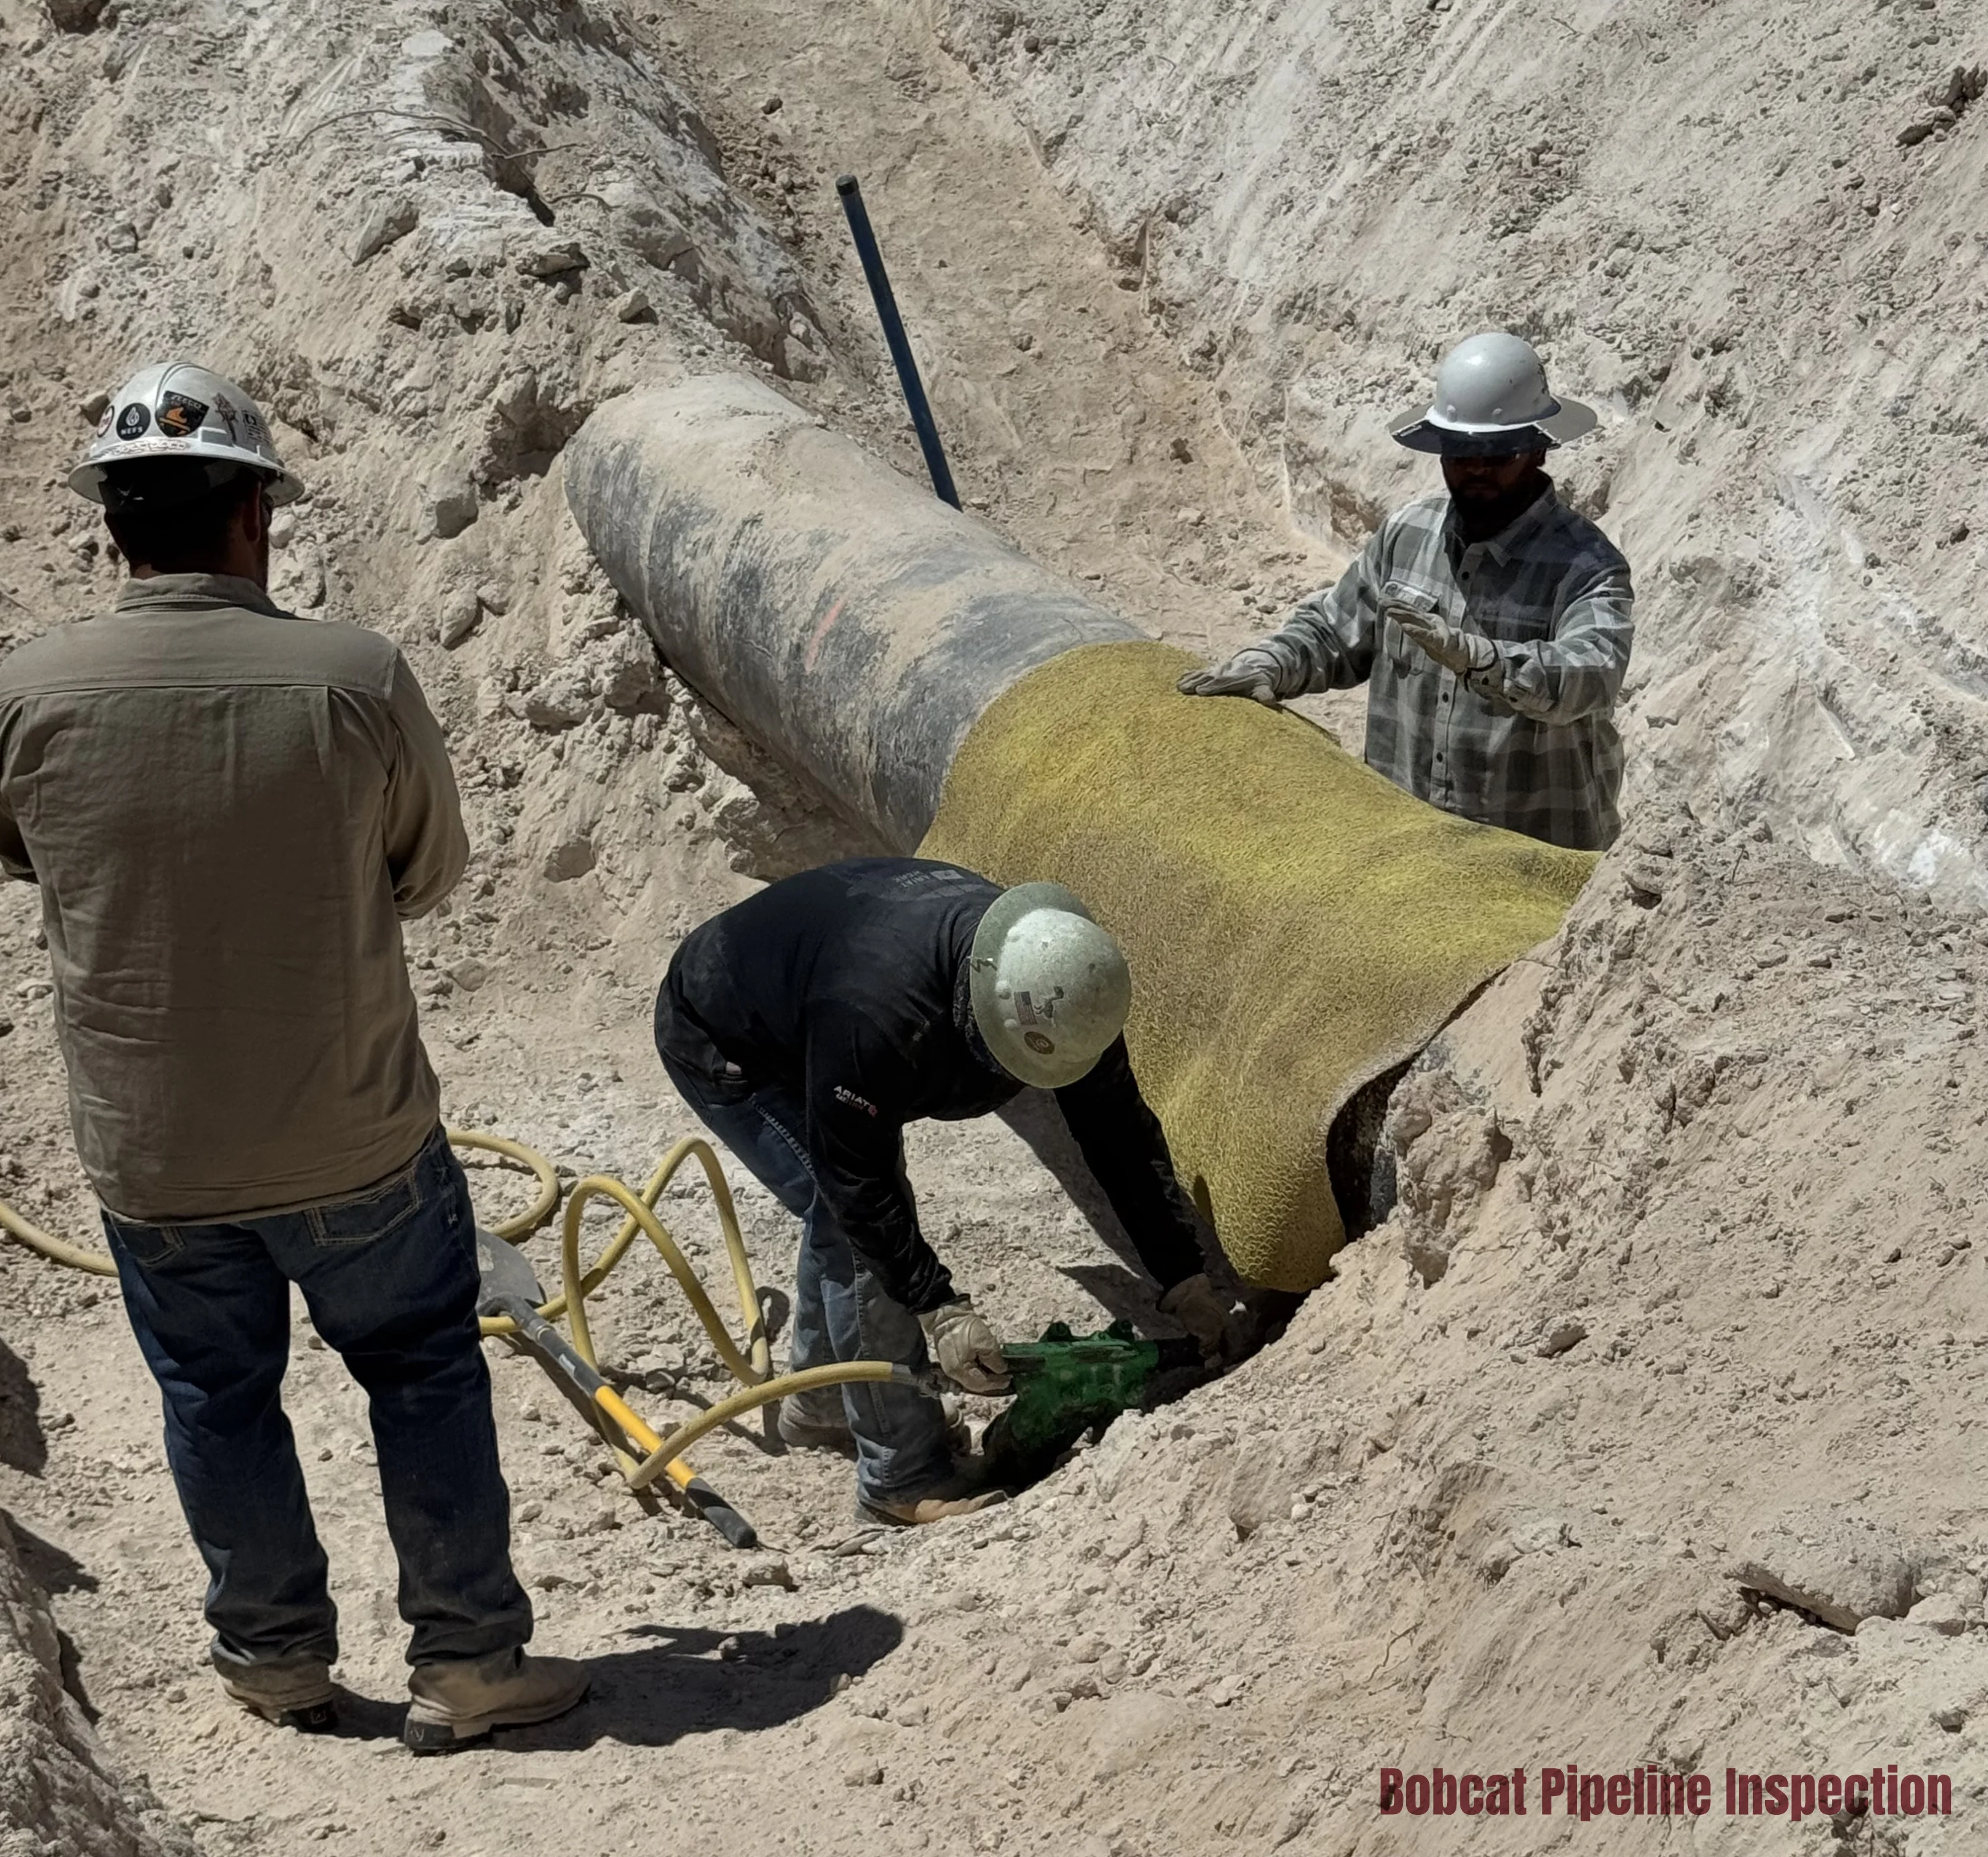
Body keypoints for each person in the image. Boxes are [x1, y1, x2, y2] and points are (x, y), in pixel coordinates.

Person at [0, 362, 584, 1753]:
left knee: (215, 1394)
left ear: (111, 528)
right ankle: (471, 1659)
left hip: (155, 1154)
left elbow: (22, 854)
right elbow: (427, 875)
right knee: (422, 1368)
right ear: (256, 520)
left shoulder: (24, 693)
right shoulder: (355, 678)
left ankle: (272, 1658)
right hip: (355, 1135)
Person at [654, 858, 1233, 1526]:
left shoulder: (1064, 979)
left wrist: (1182, 1274)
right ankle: (900, 1476)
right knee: (849, 1224)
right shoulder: (877, 1014)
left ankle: (820, 1406)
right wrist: (939, 1310)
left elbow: (1118, 1135)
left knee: (844, 1214)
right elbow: (858, 1187)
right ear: (976, 1004)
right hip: (727, 1036)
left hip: (815, 999)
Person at [1179, 332, 1634, 852]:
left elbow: (1591, 674)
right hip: (1407, 852)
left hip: (1536, 858)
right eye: (1461, 451)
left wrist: (1485, 662)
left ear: (1537, 448)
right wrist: (1269, 664)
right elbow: (1333, 632)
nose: (1476, 468)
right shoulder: (1408, 533)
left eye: (1496, 451)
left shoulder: (1587, 566)